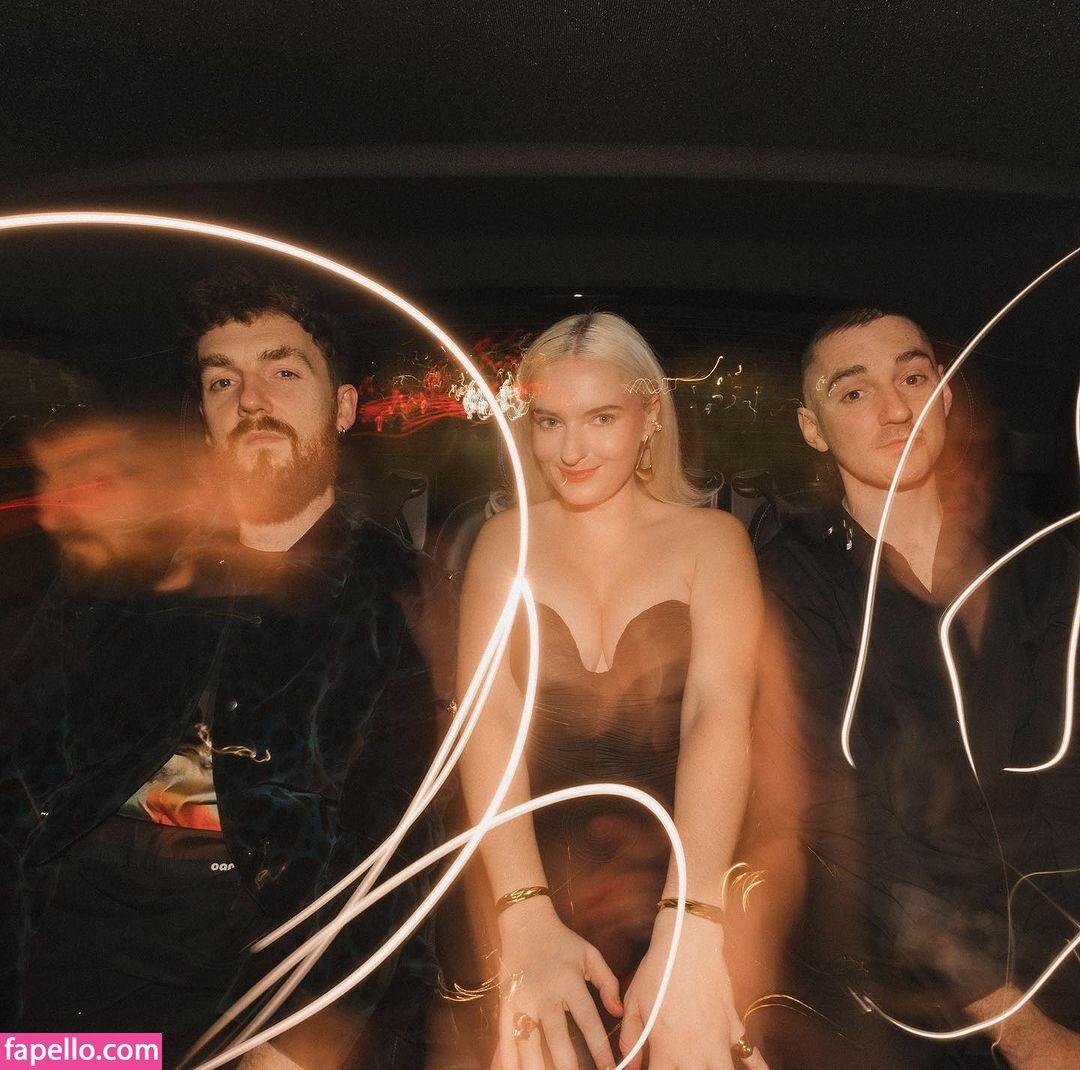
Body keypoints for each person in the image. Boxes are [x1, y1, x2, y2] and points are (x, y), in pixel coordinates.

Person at [1, 269, 448, 1070]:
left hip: (263, 949)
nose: (251, 400)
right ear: (206, 421)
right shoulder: (121, 572)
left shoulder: (404, 593)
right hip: (72, 943)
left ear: (344, 407)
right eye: (222, 381)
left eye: (284, 371)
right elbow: (17, 760)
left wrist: (290, 1043)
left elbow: (397, 849)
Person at [756, 308, 1080, 1068]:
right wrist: (1023, 1031)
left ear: (945, 394)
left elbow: (1067, 777)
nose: (897, 409)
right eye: (854, 392)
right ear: (811, 429)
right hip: (902, 995)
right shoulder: (790, 581)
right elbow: (846, 825)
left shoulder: (1042, 556)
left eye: (912, 377)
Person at [453, 312, 768, 1070]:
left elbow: (718, 717)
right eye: (550, 422)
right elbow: (487, 722)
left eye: (601, 418)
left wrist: (689, 923)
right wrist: (523, 914)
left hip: (683, 868)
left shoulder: (713, 541)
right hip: (527, 872)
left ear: (650, 416)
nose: (571, 451)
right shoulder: (503, 543)